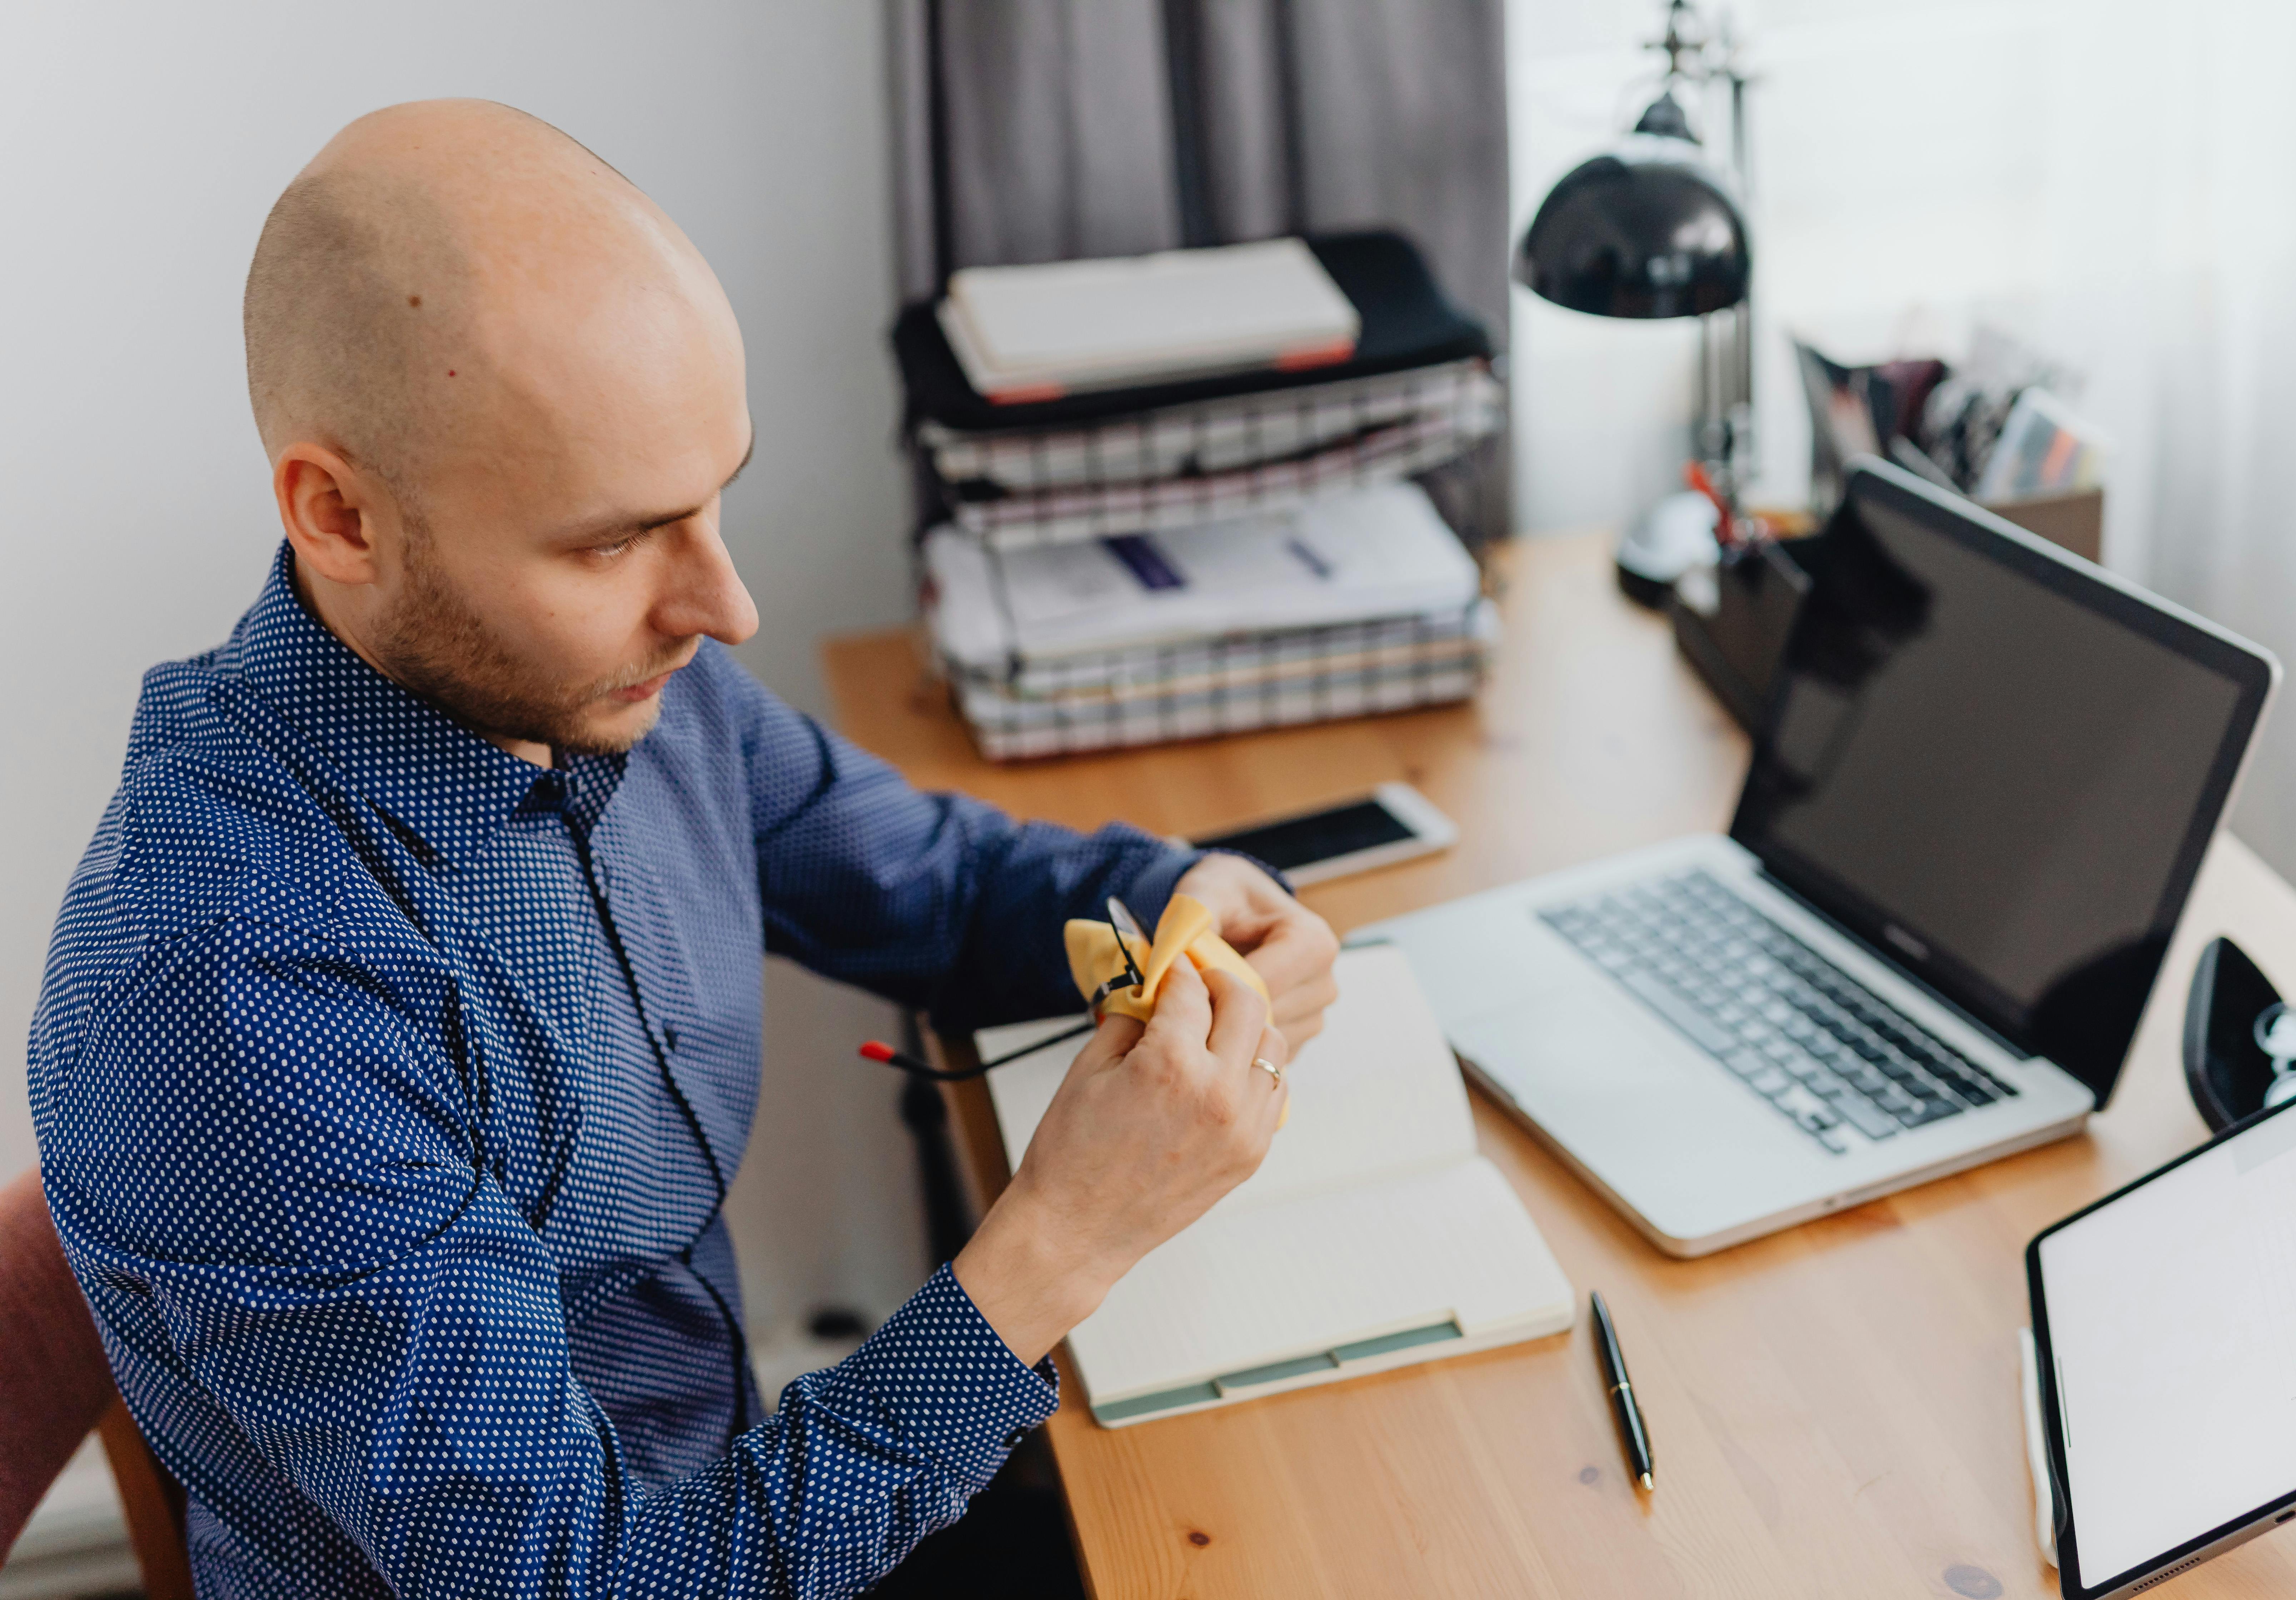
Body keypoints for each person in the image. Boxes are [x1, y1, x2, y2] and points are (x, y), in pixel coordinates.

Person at [26, 100, 1339, 1599]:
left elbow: (935, 881)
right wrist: (1058, 1245)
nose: (727, 605)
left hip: (764, 1494)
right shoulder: (238, 1002)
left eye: (716, 496)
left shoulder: (608, 680)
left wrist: (1171, 902)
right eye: (614, 540)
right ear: (341, 515)